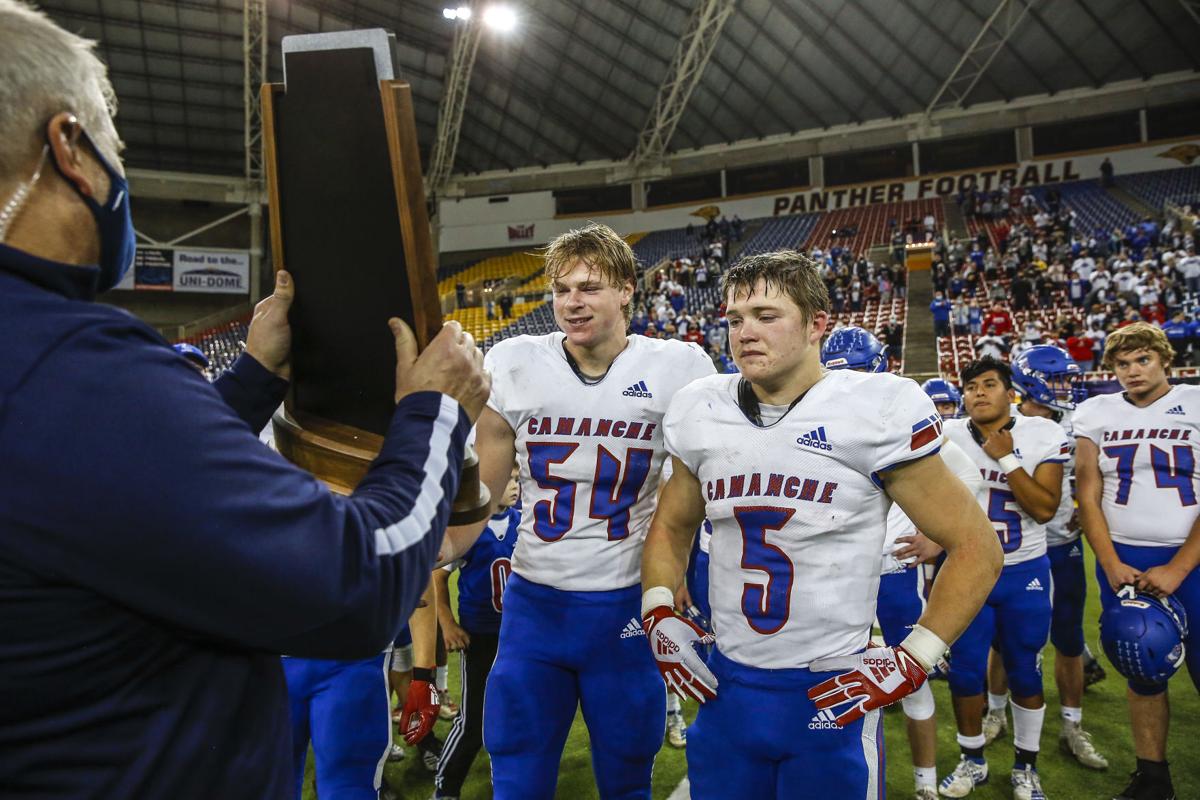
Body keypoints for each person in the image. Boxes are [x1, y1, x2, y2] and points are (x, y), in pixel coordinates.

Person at [0, 4, 491, 797]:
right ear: (70, 149)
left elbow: (107, 488)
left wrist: (255, 377)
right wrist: (434, 412)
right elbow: (356, 584)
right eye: (112, 147)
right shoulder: (71, 368)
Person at [640, 251, 1001, 800]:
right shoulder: (701, 408)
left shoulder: (873, 409)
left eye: (766, 315)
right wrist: (658, 611)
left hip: (830, 690)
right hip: (726, 687)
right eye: (735, 319)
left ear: (816, 324)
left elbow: (977, 546)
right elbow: (671, 527)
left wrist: (916, 656)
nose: (745, 332)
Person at [470, 223, 716, 799]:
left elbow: (699, 489)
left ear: (627, 289)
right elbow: (480, 494)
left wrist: (677, 574)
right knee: (516, 773)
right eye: (561, 290)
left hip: (623, 606)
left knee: (628, 774)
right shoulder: (514, 361)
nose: (571, 302)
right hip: (535, 605)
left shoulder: (679, 368)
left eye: (588, 287)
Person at [822, 330, 984, 800]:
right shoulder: (815, 414)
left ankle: (925, 784)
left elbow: (968, 474)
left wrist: (936, 537)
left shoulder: (898, 417)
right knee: (828, 679)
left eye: (858, 371)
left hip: (891, 573)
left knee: (910, 680)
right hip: (833, 576)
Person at [1073, 322, 1200, 800]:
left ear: (1165, 359)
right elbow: (1088, 493)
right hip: (1124, 560)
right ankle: (1153, 778)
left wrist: (1179, 568)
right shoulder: (1096, 411)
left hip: (1191, 559)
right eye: (1123, 364)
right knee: (1141, 666)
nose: (1133, 370)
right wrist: (1109, 562)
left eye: (1143, 359)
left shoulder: (1196, 402)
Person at [940, 357, 1070, 800]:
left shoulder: (1041, 432)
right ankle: (972, 759)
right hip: (967, 569)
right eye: (971, 386)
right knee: (964, 673)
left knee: (1026, 672)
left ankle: (1026, 767)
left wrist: (1007, 457)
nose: (978, 392)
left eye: (989, 384)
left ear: (1010, 393)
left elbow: (1044, 509)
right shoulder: (948, 434)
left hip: (1024, 572)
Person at [979, 347, 1109, 772]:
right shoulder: (997, 423)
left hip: (1060, 543)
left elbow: (1097, 476)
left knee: (1068, 636)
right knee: (1002, 641)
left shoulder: (1076, 423)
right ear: (1029, 381)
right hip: (1013, 550)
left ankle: (1072, 725)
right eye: (1057, 380)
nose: (1065, 388)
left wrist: (1089, 508)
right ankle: (996, 711)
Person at [433, 465, 521, 800]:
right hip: (481, 635)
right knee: (473, 723)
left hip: (518, 636)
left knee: (520, 713)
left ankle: (512, 782)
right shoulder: (469, 527)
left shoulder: (524, 521)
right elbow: (437, 576)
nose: (514, 486)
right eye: (508, 479)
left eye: (517, 479)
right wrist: (447, 622)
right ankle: (446, 788)